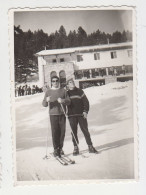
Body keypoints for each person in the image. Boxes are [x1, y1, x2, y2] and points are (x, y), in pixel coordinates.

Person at [66, 78, 99, 156]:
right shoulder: (66, 93)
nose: (72, 83)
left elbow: (86, 102)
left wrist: (85, 111)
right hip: (71, 115)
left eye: (73, 82)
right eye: (70, 82)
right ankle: (75, 148)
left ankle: (90, 146)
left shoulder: (80, 91)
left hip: (81, 114)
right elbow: (64, 102)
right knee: (73, 132)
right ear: (67, 85)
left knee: (85, 130)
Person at [42, 76, 71, 158]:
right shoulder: (48, 92)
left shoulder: (63, 91)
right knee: (55, 132)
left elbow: (69, 101)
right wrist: (46, 100)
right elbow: (44, 104)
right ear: (51, 82)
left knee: (62, 132)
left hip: (62, 114)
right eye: (53, 81)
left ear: (59, 82)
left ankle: (60, 148)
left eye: (56, 81)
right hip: (53, 115)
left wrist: (63, 101)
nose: (55, 82)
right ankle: (55, 149)